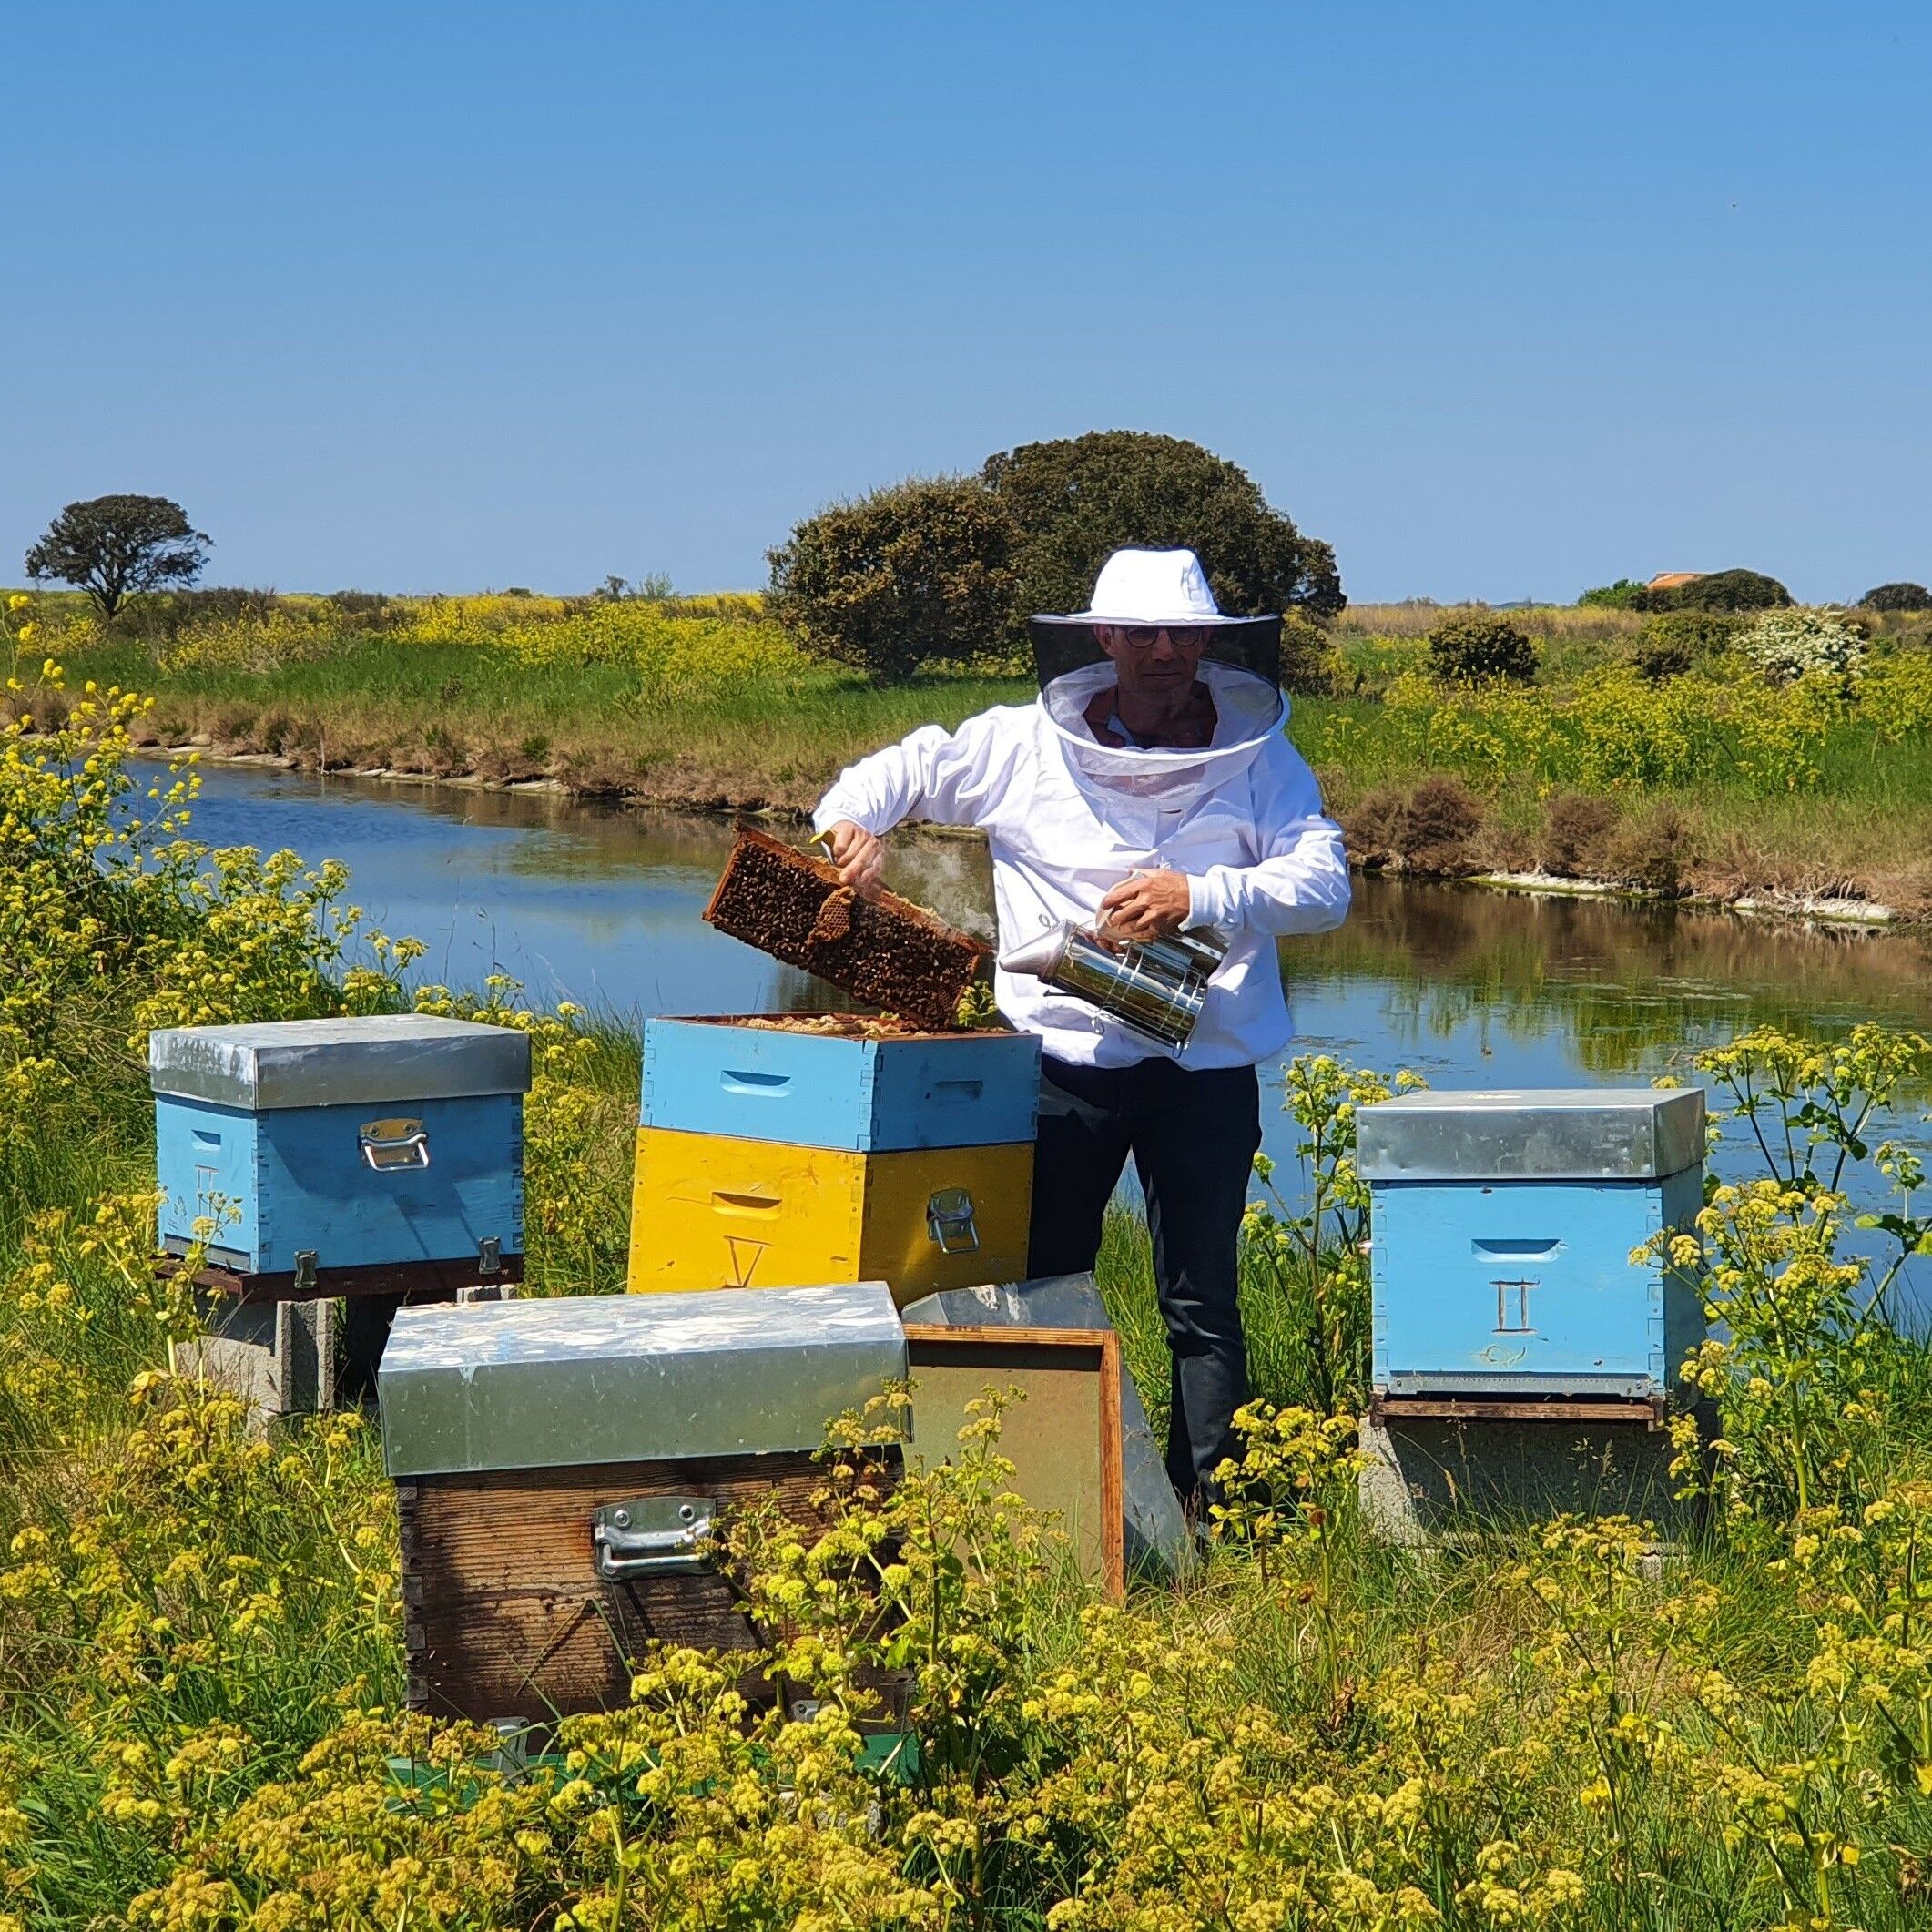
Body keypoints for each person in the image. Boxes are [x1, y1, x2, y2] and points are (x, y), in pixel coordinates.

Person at [814, 547, 1350, 1510]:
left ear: (1205, 644)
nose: (1162, 652)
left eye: (1181, 635)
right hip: (1063, 1069)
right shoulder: (1020, 744)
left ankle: (1209, 1514)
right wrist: (853, 820)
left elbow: (1323, 885)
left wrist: (1202, 891)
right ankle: (1051, 1508)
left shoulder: (1260, 756)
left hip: (1205, 1069)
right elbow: (908, 766)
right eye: (1141, 632)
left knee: (1201, 1300)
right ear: (1102, 639)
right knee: (1044, 1284)